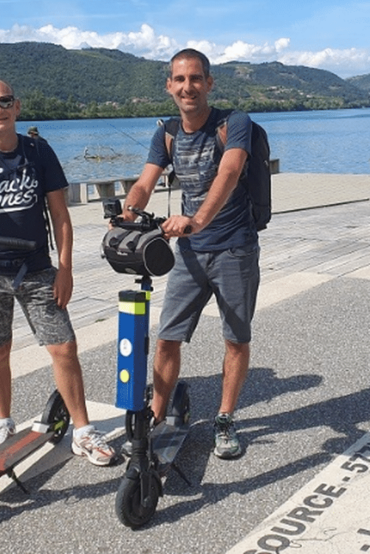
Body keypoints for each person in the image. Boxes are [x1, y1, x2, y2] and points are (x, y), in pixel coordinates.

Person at [0, 79, 116, 466]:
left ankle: (82, 430)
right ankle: (3, 423)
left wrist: (66, 268)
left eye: (5, 102)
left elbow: (60, 215)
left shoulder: (37, 151)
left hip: (35, 268)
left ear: (17, 106)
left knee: (63, 347)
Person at [120, 49, 259, 459]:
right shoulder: (166, 132)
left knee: (235, 338)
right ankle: (156, 416)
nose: (187, 87)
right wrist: (128, 211)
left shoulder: (234, 123)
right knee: (167, 338)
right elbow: (146, 182)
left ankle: (225, 418)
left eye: (195, 78)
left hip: (234, 248)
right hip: (190, 253)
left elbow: (230, 173)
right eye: (179, 79)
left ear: (209, 83)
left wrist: (196, 219)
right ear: (169, 86)